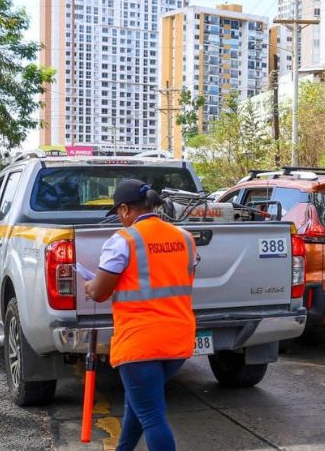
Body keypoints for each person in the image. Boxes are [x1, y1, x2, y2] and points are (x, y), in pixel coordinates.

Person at [84, 179, 196, 451]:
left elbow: (99, 292)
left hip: (140, 342)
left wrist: (90, 286)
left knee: (151, 416)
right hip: (178, 341)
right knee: (140, 405)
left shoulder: (123, 240)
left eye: (118, 214)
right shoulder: (184, 237)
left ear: (124, 209)